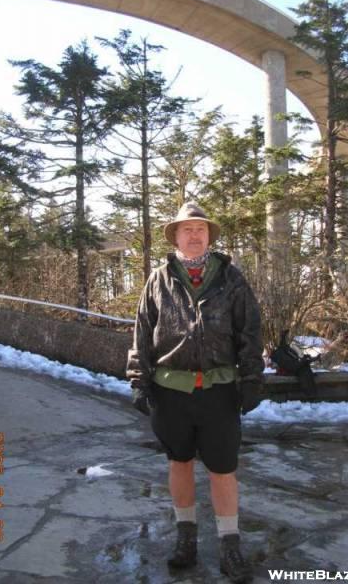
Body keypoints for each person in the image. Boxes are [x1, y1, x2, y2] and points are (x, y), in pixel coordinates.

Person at [126, 202, 264, 583]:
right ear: (176, 236)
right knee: (179, 462)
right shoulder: (158, 279)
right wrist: (139, 379)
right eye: (186, 229)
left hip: (219, 392)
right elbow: (141, 333)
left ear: (209, 236)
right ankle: (185, 539)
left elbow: (251, 331)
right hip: (171, 393)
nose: (194, 235)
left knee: (223, 469)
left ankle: (229, 546)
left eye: (200, 229)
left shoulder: (231, 278)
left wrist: (252, 379)